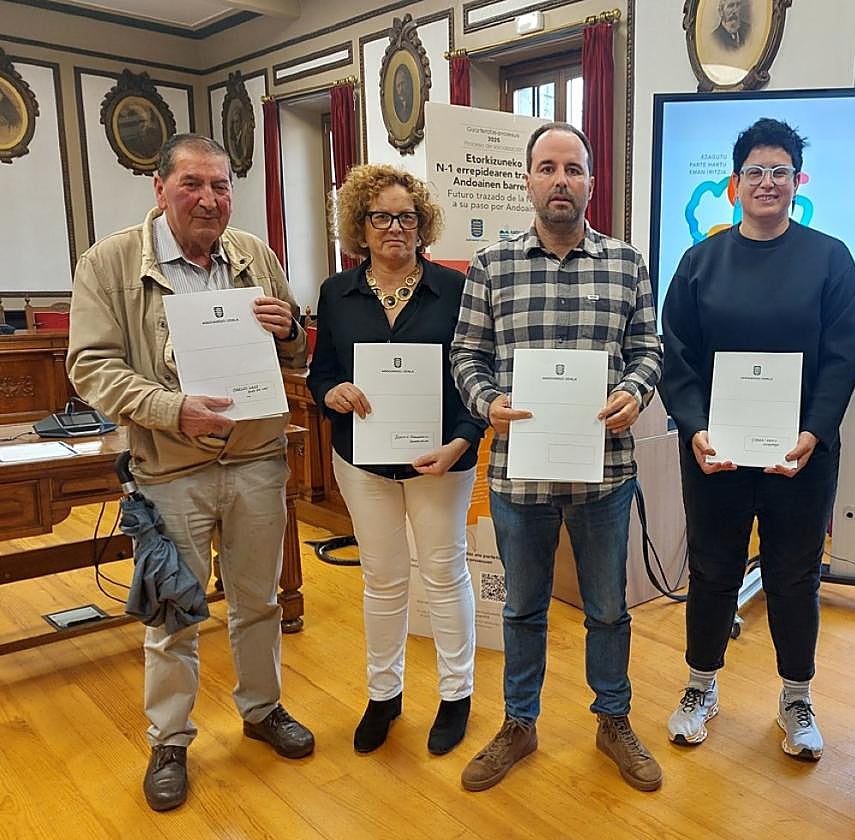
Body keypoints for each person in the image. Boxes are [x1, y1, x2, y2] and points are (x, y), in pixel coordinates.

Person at [66, 133, 314, 813]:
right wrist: (172, 409)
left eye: (222, 185)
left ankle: (263, 711)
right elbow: (89, 367)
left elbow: (294, 347)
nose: (209, 199)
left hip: (259, 461)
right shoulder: (109, 262)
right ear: (160, 188)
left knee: (260, 602)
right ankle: (170, 739)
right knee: (173, 613)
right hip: (170, 468)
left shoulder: (254, 255)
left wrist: (288, 325)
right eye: (193, 184)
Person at [450, 121, 664, 793]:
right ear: (529, 181)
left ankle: (613, 720)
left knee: (607, 607)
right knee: (522, 608)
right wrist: (487, 403)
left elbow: (650, 349)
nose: (561, 180)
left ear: (592, 183)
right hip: (521, 469)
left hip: (605, 472)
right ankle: (519, 722)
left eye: (573, 169)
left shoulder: (627, 262)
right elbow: (466, 356)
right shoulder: (492, 265)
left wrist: (634, 391)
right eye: (548, 168)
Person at [659, 117, 855, 759]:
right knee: (713, 570)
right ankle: (700, 687)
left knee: (794, 576)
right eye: (755, 172)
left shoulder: (830, 257)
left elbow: (839, 360)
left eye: (780, 171)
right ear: (733, 185)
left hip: (799, 455)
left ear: (796, 182)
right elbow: (678, 356)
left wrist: (813, 431)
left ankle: (796, 699)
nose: (767, 182)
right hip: (715, 454)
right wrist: (693, 427)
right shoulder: (699, 262)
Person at [307, 164, 485, 756]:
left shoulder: (456, 291)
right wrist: (329, 393)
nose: (394, 227)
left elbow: (475, 377)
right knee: (382, 579)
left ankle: (456, 693)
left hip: (441, 459)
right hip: (363, 460)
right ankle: (384, 694)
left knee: (443, 572)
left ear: (422, 223)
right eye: (381, 216)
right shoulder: (336, 294)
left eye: (406, 216)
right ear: (360, 225)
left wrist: (463, 439)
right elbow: (321, 375)